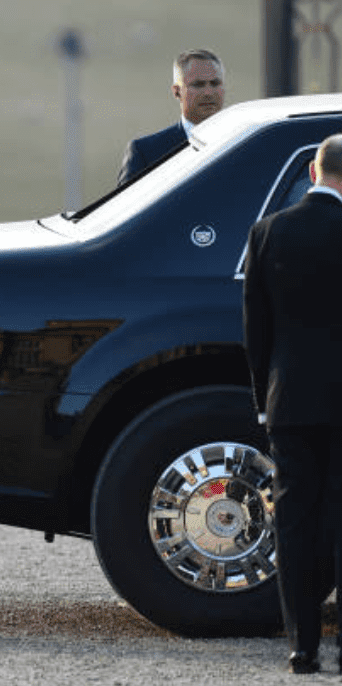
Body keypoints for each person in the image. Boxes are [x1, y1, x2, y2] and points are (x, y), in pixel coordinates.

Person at [243, 134, 342, 675]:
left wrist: (265, 401)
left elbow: (256, 332)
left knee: (296, 522)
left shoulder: (268, 232)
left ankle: (302, 646)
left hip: (291, 399)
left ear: (311, 170)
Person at [117, 49, 225, 186]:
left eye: (215, 83)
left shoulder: (245, 142)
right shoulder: (147, 154)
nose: (208, 92)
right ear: (177, 91)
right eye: (198, 85)